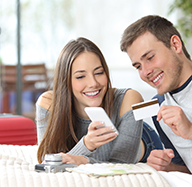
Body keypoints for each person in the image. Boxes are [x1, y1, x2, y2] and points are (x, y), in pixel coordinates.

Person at [36, 37, 163, 165]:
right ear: (65, 81)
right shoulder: (48, 103)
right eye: (80, 76)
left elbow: (122, 163)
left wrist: (84, 159)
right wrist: (87, 144)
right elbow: (46, 161)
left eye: (99, 73)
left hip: (140, 138)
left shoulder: (129, 98)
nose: (93, 83)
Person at [120, 15, 192, 174]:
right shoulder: (159, 107)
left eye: (150, 58)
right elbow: (187, 170)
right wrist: (168, 167)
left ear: (175, 44)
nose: (146, 72)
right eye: (138, 66)